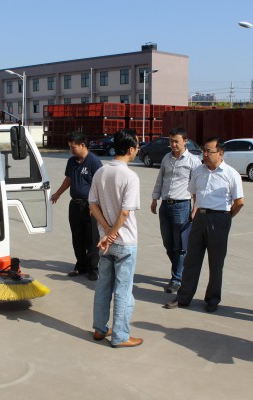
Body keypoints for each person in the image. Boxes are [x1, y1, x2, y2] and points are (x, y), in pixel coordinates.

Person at [165, 136, 244, 313]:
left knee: (216, 263)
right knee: (191, 260)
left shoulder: (231, 174)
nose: (205, 154)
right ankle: (183, 297)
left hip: (219, 219)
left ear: (221, 153)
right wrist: (197, 209)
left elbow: (239, 202)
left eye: (209, 151)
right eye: (204, 150)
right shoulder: (198, 171)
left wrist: (226, 217)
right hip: (199, 218)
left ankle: (212, 300)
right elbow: (194, 192)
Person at [89, 129, 143, 348]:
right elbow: (125, 212)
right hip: (124, 241)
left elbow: (93, 205)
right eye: (137, 146)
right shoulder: (130, 176)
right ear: (130, 149)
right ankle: (120, 336)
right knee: (123, 290)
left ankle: (99, 329)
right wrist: (112, 234)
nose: (137, 150)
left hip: (105, 242)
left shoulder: (101, 172)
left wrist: (106, 233)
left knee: (103, 287)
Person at [150, 127, 201, 294]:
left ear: (185, 141)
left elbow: (198, 187)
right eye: (171, 141)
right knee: (168, 243)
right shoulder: (167, 158)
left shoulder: (193, 161)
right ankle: (182, 270)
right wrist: (155, 198)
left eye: (176, 141)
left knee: (180, 245)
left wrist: (195, 208)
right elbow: (160, 179)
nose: (173, 144)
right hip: (165, 205)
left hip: (182, 206)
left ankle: (177, 279)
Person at [51, 132, 103, 281]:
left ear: (82, 145)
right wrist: (58, 193)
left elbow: (101, 186)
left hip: (90, 206)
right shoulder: (71, 162)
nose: (71, 150)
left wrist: (96, 205)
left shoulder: (94, 162)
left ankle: (93, 268)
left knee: (92, 238)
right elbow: (68, 179)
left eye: (73, 147)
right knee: (77, 236)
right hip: (75, 204)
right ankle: (81, 265)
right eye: (70, 147)